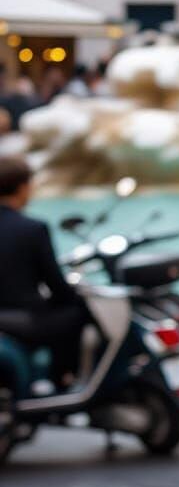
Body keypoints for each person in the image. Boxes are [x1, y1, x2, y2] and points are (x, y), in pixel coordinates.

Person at [0, 156, 89, 390]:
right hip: (24, 319)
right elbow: (55, 284)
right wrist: (73, 298)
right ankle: (61, 380)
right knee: (76, 312)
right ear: (23, 187)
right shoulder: (32, 228)